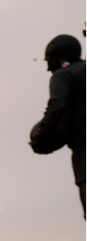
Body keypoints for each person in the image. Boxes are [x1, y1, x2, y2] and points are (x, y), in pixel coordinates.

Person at [30, 34, 87, 220]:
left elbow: (57, 107)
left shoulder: (63, 75)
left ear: (60, 56)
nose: (48, 68)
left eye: (49, 60)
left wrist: (40, 135)